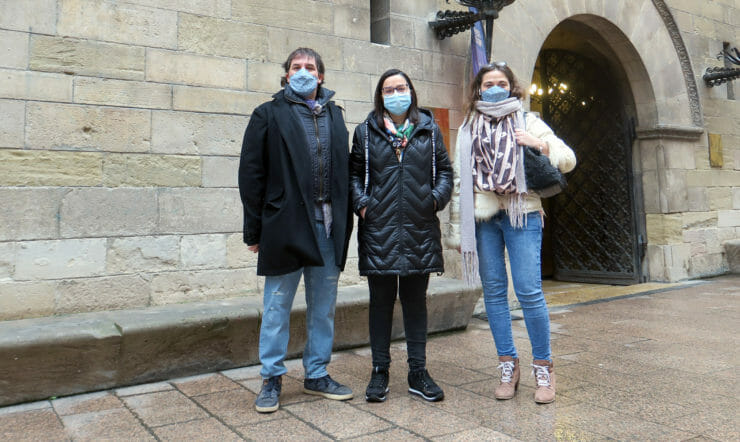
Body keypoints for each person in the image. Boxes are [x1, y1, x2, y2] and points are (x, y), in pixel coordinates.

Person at [445, 62, 576, 404]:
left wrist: (539, 145)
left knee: (529, 291)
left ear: (513, 87)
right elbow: (461, 183)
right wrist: (459, 234)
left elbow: (568, 159)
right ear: (478, 89)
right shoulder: (468, 129)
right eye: (488, 83)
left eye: (501, 82)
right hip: (485, 218)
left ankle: (544, 367)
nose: (495, 88)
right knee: (494, 293)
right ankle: (508, 363)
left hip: (523, 214)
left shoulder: (528, 121)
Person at [239, 47, 354, 413]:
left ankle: (317, 373)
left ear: (321, 76)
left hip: (327, 226)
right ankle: (271, 377)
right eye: (296, 67)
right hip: (284, 225)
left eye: (309, 67)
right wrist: (253, 231)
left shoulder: (336, 115)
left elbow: (344, 171)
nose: (302, 72)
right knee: (277, 305)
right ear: (286, 74)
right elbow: (251, 176)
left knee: (323, 307)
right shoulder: (267, 114)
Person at [349, 69, 453, 403]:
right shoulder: (365, 132)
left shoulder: (429, 129)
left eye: (402, 87)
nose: (396, 93)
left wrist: (434, 199)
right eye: (389, 89)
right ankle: (379, 371)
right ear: (380, 95)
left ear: (411, 91)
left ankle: (417, 371)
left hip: (418, 228)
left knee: (415, 303)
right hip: (378, 229)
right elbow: (353, 175)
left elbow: (446, 172)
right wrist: (363, 205)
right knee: (380, 303)